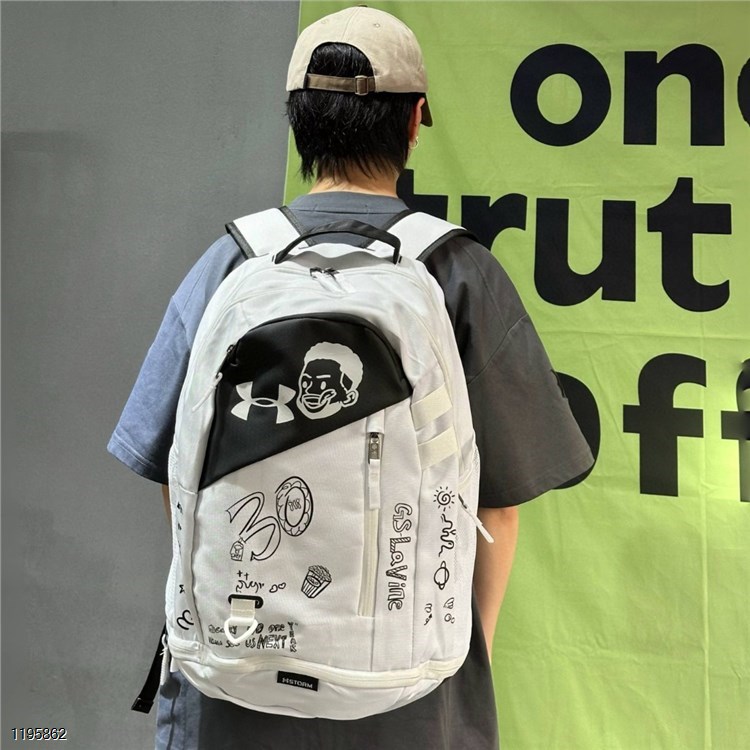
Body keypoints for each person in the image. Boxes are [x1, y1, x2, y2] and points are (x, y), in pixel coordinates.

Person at [108, 6, 593, 749]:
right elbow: (496, 512)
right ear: (416, 120)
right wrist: (454, 659)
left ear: (297, 120)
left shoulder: (231, 263)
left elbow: (178, 473)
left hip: (230, 682)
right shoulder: (459, 273)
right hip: (410, 700)